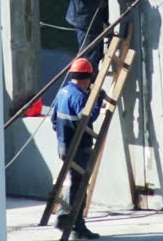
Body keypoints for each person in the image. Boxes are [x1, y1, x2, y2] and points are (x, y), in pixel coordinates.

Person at [51, 57, 104, 239]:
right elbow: (87, 119)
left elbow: (53, 120)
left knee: (75, 183)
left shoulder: (63, 92)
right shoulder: (80, 97)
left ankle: (77, 226)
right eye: (89, 78)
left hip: (63, 145)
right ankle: (65, 219)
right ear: (85, 78)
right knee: (78, 186)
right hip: (78, 148)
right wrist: (97, 101)